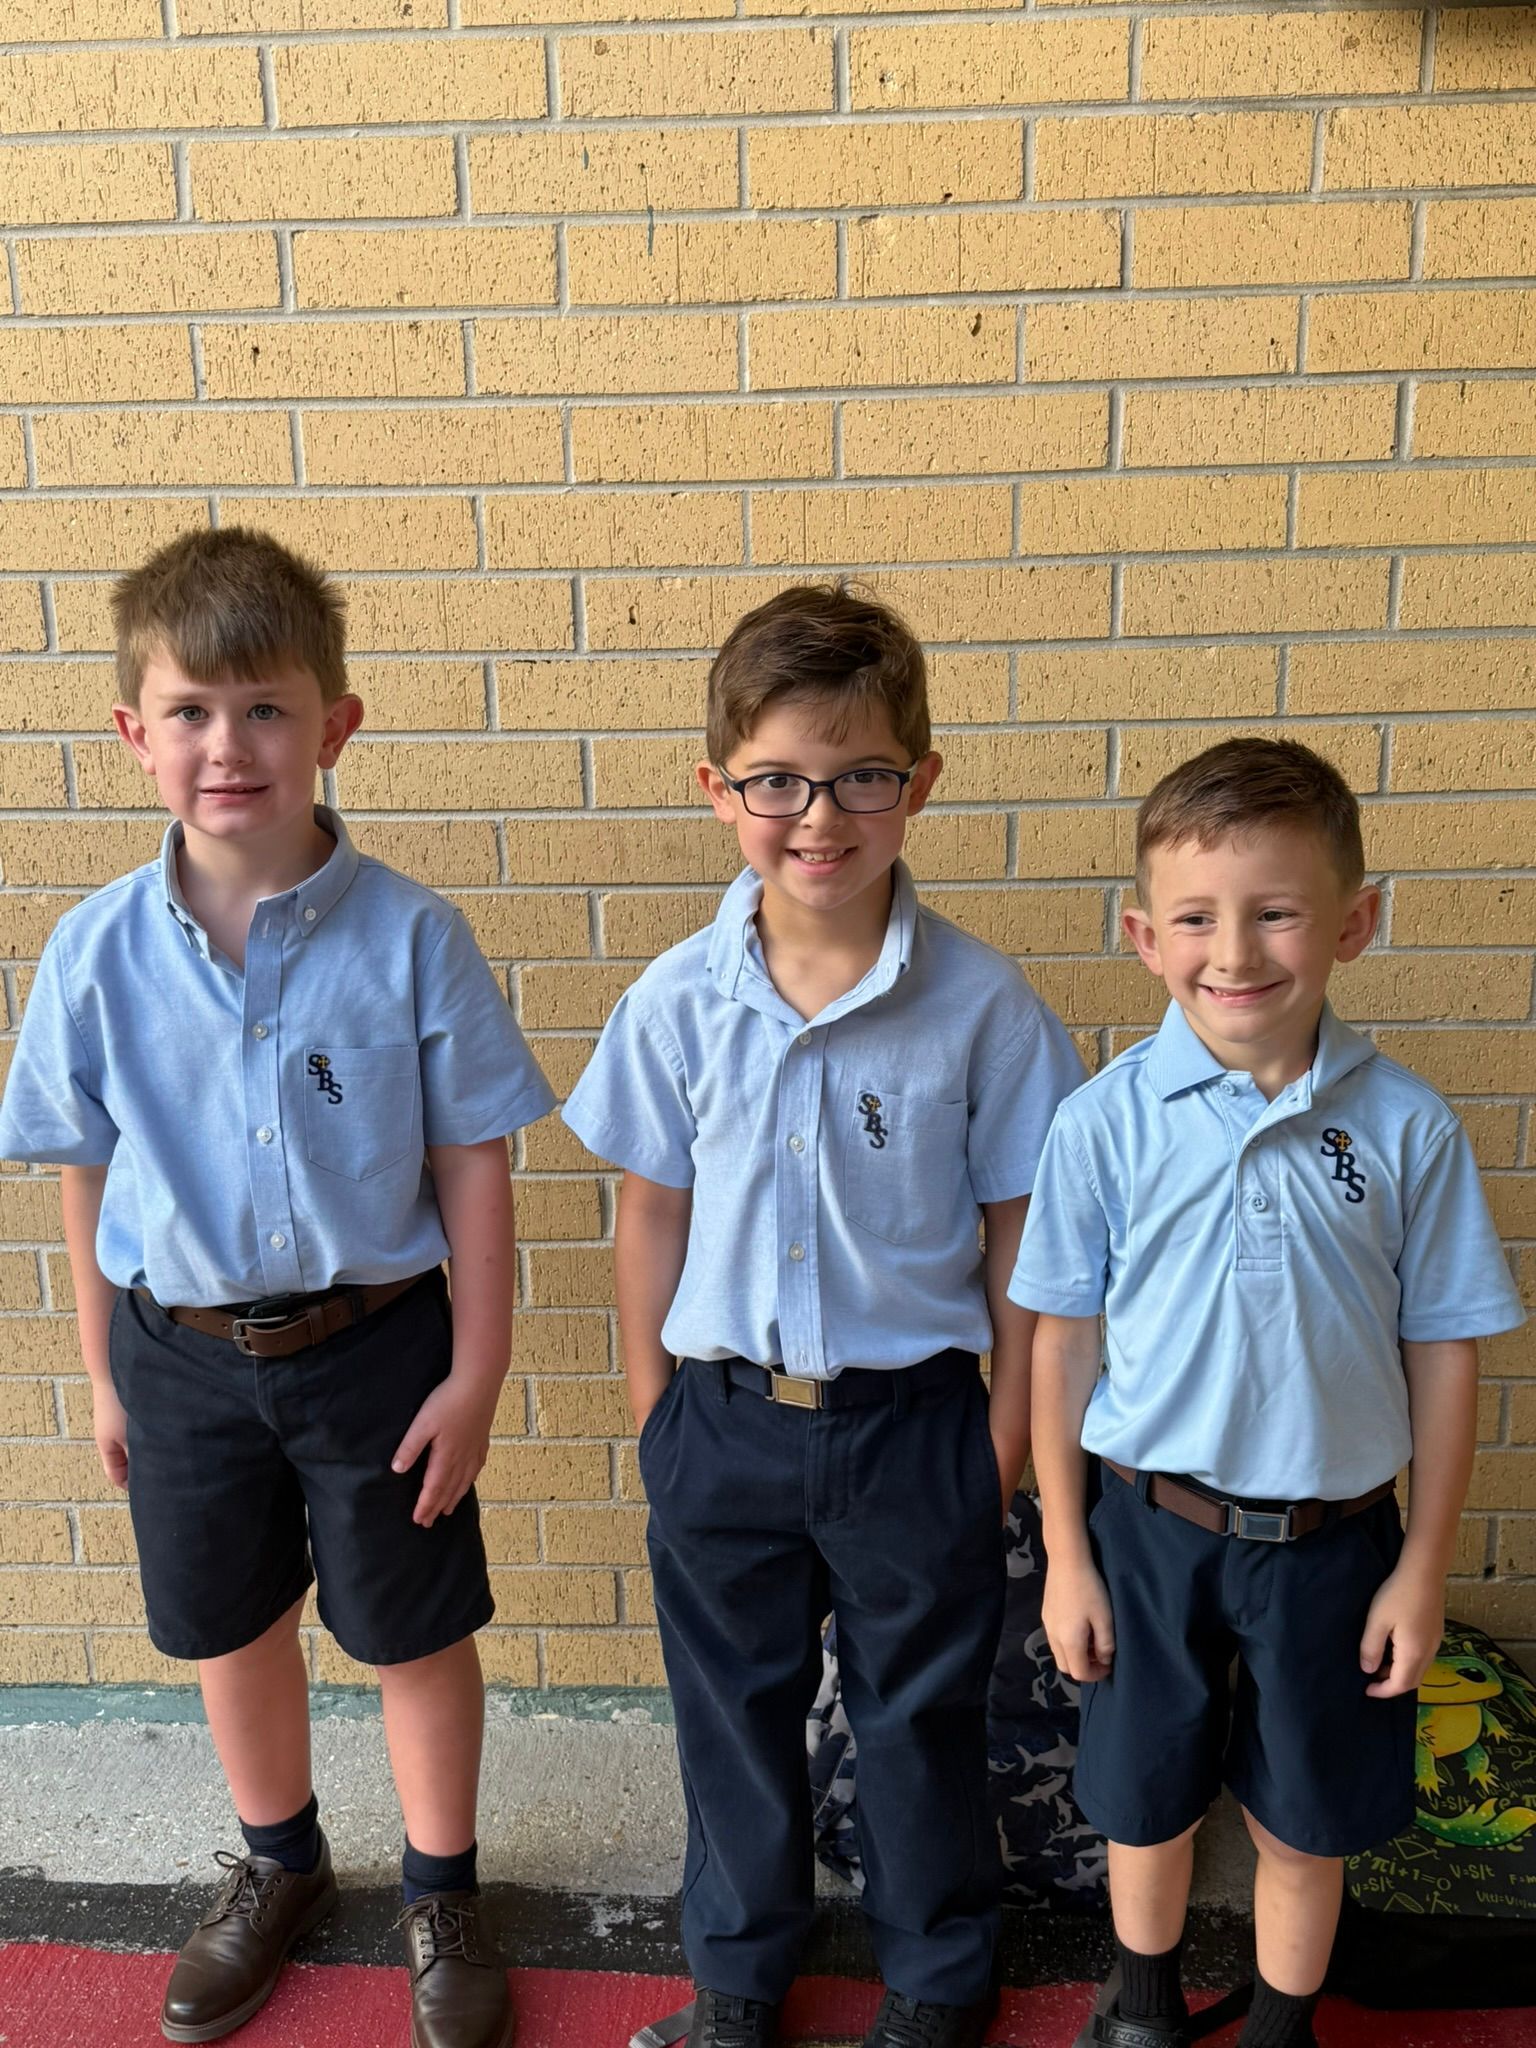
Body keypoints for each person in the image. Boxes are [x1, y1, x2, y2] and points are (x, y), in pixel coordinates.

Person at [0, 527, 556, 2048]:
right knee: (230, 1625)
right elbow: (83, 1176)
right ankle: (281, 1863)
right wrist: (104, 1373)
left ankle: (442, 1888)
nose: (227, 745)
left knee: (412, 1630)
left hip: (380, 1352)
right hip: (176, 1355)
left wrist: (477, 1372)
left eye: (264, 709)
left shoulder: (415, 937)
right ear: (134, 735)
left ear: (334, 726)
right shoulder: (94, 954)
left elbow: (474, 1171)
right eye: (189, 711)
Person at [562, 584, 1084, 2048]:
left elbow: (1022, 1240)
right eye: (778, 781)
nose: (819, 817)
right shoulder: (676, 1001)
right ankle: (737, 1980)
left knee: (921, 1716)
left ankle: (936, 1984)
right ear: (717, 788)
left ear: (920, 782)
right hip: (722, 1422)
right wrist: (658, 1412)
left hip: (916, 1430)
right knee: (730, 1712)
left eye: (861, 778)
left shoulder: (984, 1007)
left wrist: (1001, 1442)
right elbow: (650, 1212)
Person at [1009, 737, 1526, 2048]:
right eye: (1195, 917)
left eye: (1277, 912)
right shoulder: (1104, 1122)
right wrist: (1067, 1552)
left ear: (1354, 922)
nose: (1234, 953)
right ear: (1144, 936)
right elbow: (1061, 1344)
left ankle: (1284, 2025)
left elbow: (1446, 1350)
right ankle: (1141, 2006)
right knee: (1145, 1801)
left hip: (1333, 1545)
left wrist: (1421, 1569)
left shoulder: (1406, 1126)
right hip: (1148, 1532)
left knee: (1306, 1818)